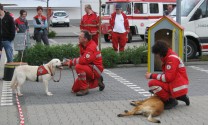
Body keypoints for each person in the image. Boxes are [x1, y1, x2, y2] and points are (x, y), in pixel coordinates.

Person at [145, 40, 190, 110]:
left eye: (157, 53)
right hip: (178, 85)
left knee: (152, 83)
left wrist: (151, 76)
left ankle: (171, 101)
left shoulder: (171, 59)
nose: (157, 55)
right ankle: (181, 96)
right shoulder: (170, 56)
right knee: (156, 87)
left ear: (161, 52)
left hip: (176, 85)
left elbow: (168, 78)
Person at [62, 31, 105, 96]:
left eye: (80, 37)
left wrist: (71, 62)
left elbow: (83, 60)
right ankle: (97, 80)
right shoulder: (83, 45)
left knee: (78, 67)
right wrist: (70, 61)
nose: (78, 38)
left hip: (96, 69)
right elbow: (81, 59)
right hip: (89, 67)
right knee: (75, 89)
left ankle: (85, 89)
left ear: (85, 39)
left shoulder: (91, 47)